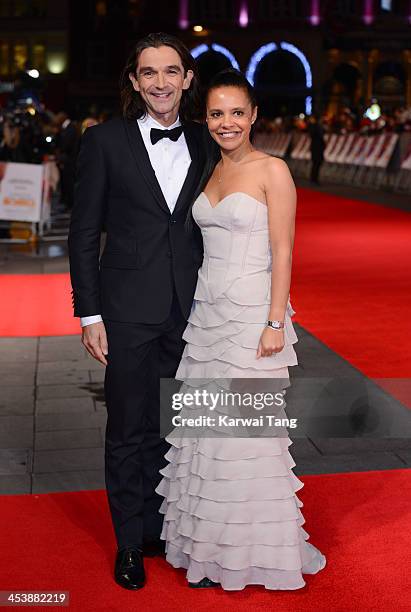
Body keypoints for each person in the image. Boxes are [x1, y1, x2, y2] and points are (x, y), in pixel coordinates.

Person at [157, 69, 327, 591]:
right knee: (207, 432)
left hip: (254, 318)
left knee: (246, 438)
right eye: (215, 113)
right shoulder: (209, 172)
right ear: (205, 119)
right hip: (207, 319)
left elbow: (284, 251)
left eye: (236, 112)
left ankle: (255, 552)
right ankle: (208, 550)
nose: (226, 122)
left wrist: (275, 321)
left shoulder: (272, 170)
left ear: (254, 116)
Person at [68, 33, 217, 590]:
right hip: (127, 311)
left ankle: (168, 530)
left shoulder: (206, 141)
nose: (160, 82)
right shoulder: (104, 141)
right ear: (134, 81)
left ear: (187, 79)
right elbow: (84, 233)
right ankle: (130, 541)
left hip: (196, 309)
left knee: (181, 427)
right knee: (129, 428)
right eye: (149, 73)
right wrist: (90, 315)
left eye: (171, 71)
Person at [308, 114, 325, 184]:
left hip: (315, 147)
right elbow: (320, 137)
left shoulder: (314, 126)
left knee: (316, 163)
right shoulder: (316, 126)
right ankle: (314, 179)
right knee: (316, 163)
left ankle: (313, 178)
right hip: (317, 147)